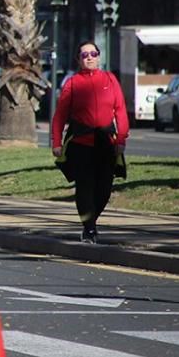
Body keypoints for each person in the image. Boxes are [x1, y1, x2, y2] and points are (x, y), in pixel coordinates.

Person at [52, 41, 129, 244]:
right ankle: (89, 229)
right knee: (85, 187)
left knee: (104, 188)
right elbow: (60, 115)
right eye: (84, 54)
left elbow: (120, 110)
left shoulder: (110, 79)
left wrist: (121, 139)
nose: (89, 57)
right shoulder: (73, 82)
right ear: (78, 59)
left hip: (106, 142)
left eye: (93, 53)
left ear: (98, 57)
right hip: (81, 142)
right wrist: (56, 142)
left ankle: (91, 221)